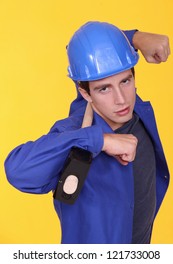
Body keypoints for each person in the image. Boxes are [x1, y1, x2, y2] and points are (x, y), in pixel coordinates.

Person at [4, 21, 170, 244]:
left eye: (126, 81)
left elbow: (90, 47)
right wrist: (99, 141)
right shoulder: (75, 132)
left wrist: (136, 38)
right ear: (85, 93)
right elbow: (17, 170)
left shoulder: (134, 106)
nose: (121, 99)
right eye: (104, 89)